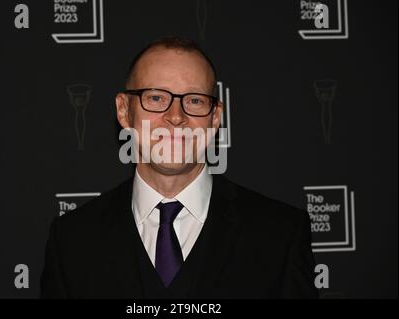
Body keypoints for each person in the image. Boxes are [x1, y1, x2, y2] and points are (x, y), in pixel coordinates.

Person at [40, 36, 318, 299]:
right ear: (124, 110)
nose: (176, 117)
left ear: (215, 117)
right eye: (156, 98)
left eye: (194, 100)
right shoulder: (72, 241)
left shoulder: (279, 236)